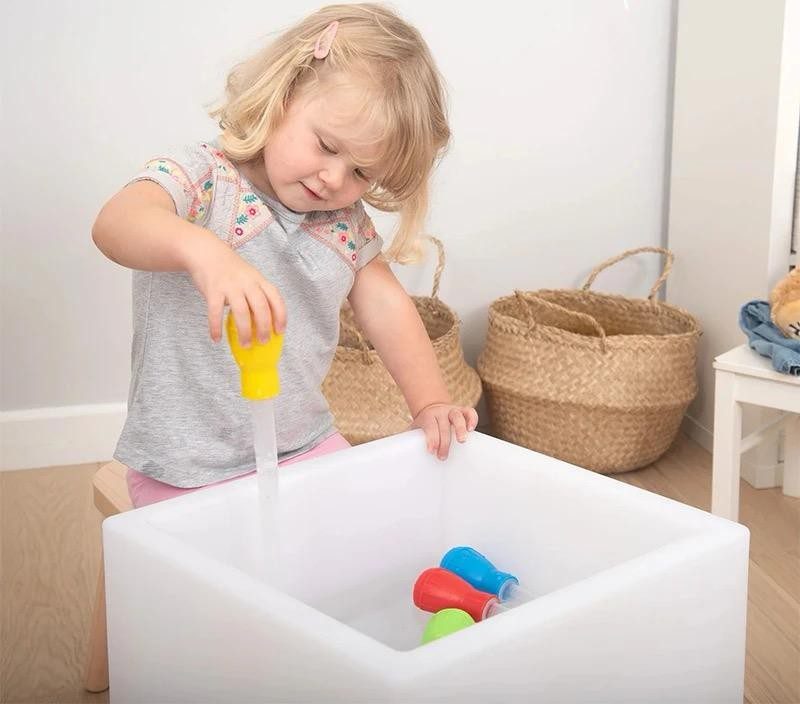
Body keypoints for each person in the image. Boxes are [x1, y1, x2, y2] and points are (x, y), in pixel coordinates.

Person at [92, 4, 478, 508]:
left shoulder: (344, 223)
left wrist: (430, 401)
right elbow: (115, 224)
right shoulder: (202, 180)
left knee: (358, 544)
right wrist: (203, 251)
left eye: (363, 173)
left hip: (300, 446)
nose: (335, 179)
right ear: (283, 96)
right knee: (208, 582)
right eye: (326, 145)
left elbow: (387, 307)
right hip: (185, 466)